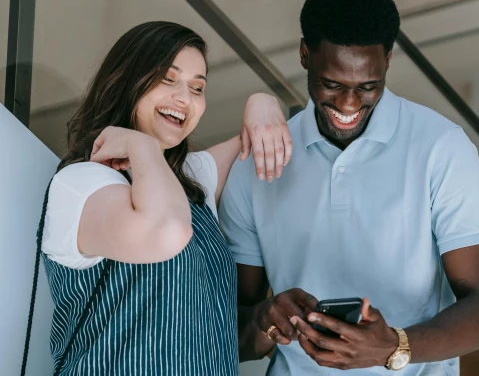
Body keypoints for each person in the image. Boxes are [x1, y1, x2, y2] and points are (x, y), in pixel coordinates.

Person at [219, 0, 479, 375]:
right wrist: (267, 318)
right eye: (332, 84)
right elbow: (226, 331)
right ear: (306, 54)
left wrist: (394, 347)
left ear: (388, 59)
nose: (349, 104)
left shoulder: (441, 148)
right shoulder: (255, 165)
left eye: (368, 86)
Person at [39, 21, 292, 375]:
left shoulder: (191, 179)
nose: (185, 98)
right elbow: (167, 232)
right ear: (126, 80)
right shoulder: (81, 184)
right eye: (167, 79)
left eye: (198, 87)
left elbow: (264, 137)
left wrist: (263, 101)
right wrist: (140, 144)